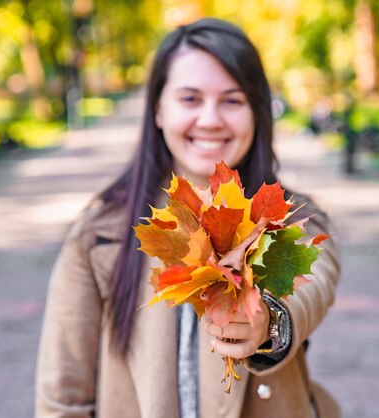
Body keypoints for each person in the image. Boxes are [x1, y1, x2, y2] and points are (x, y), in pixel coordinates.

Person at [35, 18, 341, 418]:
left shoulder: (295, 219)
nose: (211, 119)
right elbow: (63, 398)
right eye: (190, 99)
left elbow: (314, 282)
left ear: (257, 112)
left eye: (232, 100)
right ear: (158, 109)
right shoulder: (100, 235)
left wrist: (269, 322)